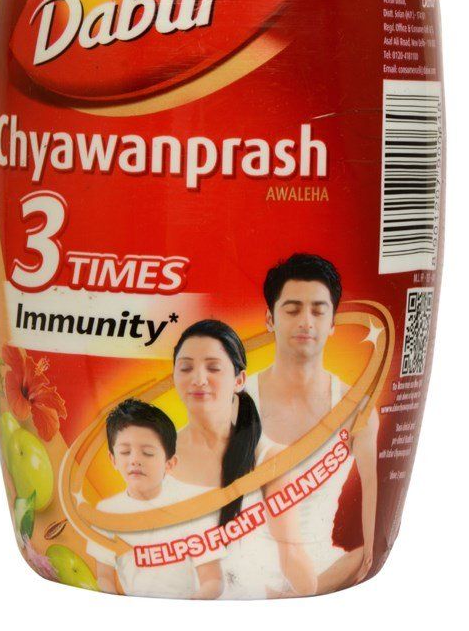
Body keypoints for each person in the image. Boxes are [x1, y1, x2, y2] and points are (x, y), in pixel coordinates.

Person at [245, 253, 379, 594]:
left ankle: (288, 595)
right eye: (292, 310)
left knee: (364, 555)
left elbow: (372, 499)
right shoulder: (235, 402)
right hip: (244, 563)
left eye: (318, 311)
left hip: (320, 565)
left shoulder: (357, 408)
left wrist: (369, 556)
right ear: (270, 319)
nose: (306, 322)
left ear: (333, 323)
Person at [171, 319, 316, 598]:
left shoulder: (267, 459)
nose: (198, 379)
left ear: (239, 380)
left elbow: (292, 553)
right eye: (186, 368)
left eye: (213, 368)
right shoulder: (157, 454)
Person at [86, 398, 224, 599]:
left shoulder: (191, 506)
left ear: (170, 463)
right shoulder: (106, 512)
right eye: (125, 452)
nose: (135, 460)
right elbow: (104, 578)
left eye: (148, 453)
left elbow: (213, 581)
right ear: (113, 459)